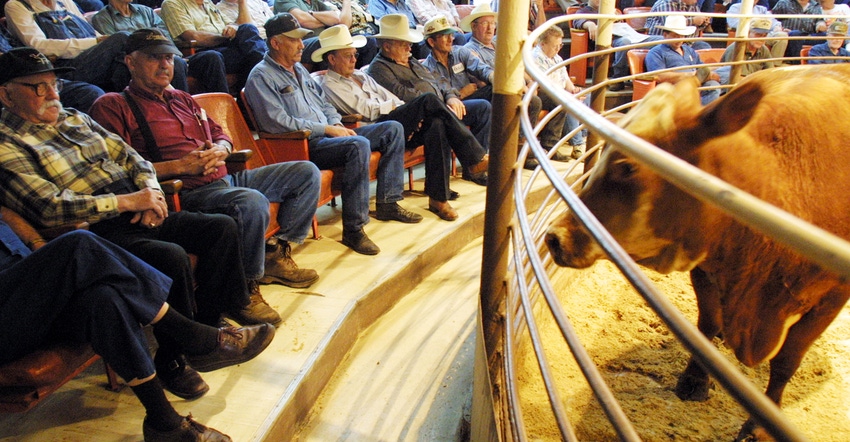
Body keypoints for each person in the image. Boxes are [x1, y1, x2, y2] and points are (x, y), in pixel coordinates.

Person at [0, 47, 274, 401]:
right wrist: (126, 201)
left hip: (139, 204)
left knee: (220, 228)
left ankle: (205, 333)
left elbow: (132, 158)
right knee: (172, 255)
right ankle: (173, 359)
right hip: (95, 227)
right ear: (6, 93)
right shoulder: (8, 143)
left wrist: (151, 192)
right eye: (38, 87)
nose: (53, 93)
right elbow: (50, 208)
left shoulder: (74, 118)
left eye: (54, 83)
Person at [0, 206, 274, 441]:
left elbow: (6, 213)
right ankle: (193, 337)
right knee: (79, 243)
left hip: (25, 294)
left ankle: (163, 423)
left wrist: (37, 245)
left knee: (103, 298)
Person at [89, 29, 321, 296]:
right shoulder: (113, 105)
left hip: (226, 177)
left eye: (169, 57)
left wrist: (222, 149)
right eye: (154, 58)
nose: (165, 65)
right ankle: (245, 287)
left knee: (306, 172)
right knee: (250, 202)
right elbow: (116, 174)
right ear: (130, 62)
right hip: (186, 191)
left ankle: (274, 254)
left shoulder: (183, 98)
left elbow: (221, 134)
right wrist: (181, 166)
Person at [245, 13, 423, 256]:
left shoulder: (299, 70)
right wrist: (329, 129)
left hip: (329, 136)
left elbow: (325, 105)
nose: (301, 45)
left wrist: (336, 123)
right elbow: (277, 123)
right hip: (304, 144)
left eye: (301, 39)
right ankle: (354, 229)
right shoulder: (261, 76)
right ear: (275, 43)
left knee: (392, 128)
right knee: (357, 145)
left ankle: (388, 202)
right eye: (294, 40)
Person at [315, 25, 491, 221]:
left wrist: (410, 113)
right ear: (331, 59)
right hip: (377, 126)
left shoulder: (360, 75)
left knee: (436, 124)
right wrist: (405, 110)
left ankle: (438, 199)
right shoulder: (330, 84)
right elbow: (366, 109)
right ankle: (474, 156)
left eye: (355, 54)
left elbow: (391, 98)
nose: (354, 59)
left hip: (394, 117)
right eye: (348, 55)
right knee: (428, 101)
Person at [367, 14, 493, 169]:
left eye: (409, 43)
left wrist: (451, 97)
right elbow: (403, 94)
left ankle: (473, 170)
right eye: (404, 44)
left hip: (439, 108)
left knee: (482, 107)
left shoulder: (411, 59)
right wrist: (437, 104)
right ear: (387, 46)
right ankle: (475, 158)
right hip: (415, 120)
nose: (409, 47)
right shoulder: (378, 68)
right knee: (434, 113)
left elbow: (438, 80)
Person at [90, 0, 230, 93]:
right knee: (177, 63)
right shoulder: (102, 18)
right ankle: (184, 112)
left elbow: (165, 37)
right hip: (142, 64)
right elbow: (121, 48)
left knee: (212, 57)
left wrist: (171, 54)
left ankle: (224, 112)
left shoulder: (146, 11)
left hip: (169, 54)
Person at [4, 0, 131, 91]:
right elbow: (39, 46)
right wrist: (96, 42)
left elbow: (91, 32)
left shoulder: (65, 2)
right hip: (63, 69)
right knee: (123, 38)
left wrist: (102, 41)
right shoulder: (17, 5)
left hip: (92, 58)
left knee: (124, 58)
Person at [159, 0, 267, 89]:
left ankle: (262, 62)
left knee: (247, 28)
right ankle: (266, 64)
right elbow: (193, 36)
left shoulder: (208, 3)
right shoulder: (173, 3)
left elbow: (235, 25)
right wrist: (224, 37)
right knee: (248, 54)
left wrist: (232, 27)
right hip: (202, 52)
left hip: (226, 48)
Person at [0, 22, 104, 111]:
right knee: (119, 39)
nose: (53, 95)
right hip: (15, 78)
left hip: (37, 70)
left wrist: (41, 56)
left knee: (92, 92)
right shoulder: (16, 5)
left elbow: (18, 47)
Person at [572, 0, 663, 87]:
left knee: (662, 40)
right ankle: (618, 78)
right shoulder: (584, 11)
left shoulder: (612, 10)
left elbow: (623, 27)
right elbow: (578, 21)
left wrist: (618, 19)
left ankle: (658, 75)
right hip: (611, 39)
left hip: (631, 36)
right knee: (624, 42)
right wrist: (589, 24)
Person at [532, 26, 589, 160]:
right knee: (563, 100)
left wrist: (575, 91)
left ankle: (581, 137)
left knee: (589, 96)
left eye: (560, 45)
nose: (558, 49)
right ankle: (564, 145)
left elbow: (567, 82)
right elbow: (545, 84)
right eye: (554, 46)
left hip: (557, 91)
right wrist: (567, 94)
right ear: (542, 44)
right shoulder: (535, 57)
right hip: (542, 92)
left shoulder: (557, 58)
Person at [645, 15, 721, 105]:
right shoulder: (656, 52)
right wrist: (690, 75)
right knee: (713, 84)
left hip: (697, 84)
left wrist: (717, 69)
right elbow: (659, 76)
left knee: (722, 76)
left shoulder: (689, 50)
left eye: (682, 36)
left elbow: (701, 67)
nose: (680, 39)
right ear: (665, 35)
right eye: (675, 36)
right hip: (677, 87)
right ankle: (700, 116)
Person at [725, 2, 789, 62]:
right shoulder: (735, 7)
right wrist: (754, 25)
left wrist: (776, 27)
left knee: (782, 35)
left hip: (765, 32)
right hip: (748, 33)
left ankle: (775, 66)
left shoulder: (762, 9)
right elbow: (733, 23)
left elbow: (774, 22)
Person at [717, 18, 776, 83]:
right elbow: (733, 78)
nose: (762, 39)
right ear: (748, 33)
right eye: (758, 35)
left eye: (765, 35)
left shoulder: (764, 50)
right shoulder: (736, 50)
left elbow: (771, 72)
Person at [644, 0, 712, 50]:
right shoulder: (666, 3)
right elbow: (671, 25)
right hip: (664, 41)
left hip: (685, 42)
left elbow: (693, 28)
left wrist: (702, 23)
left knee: (703, 46)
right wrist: (693, 21)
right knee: (671, 43)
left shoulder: (693, 5)